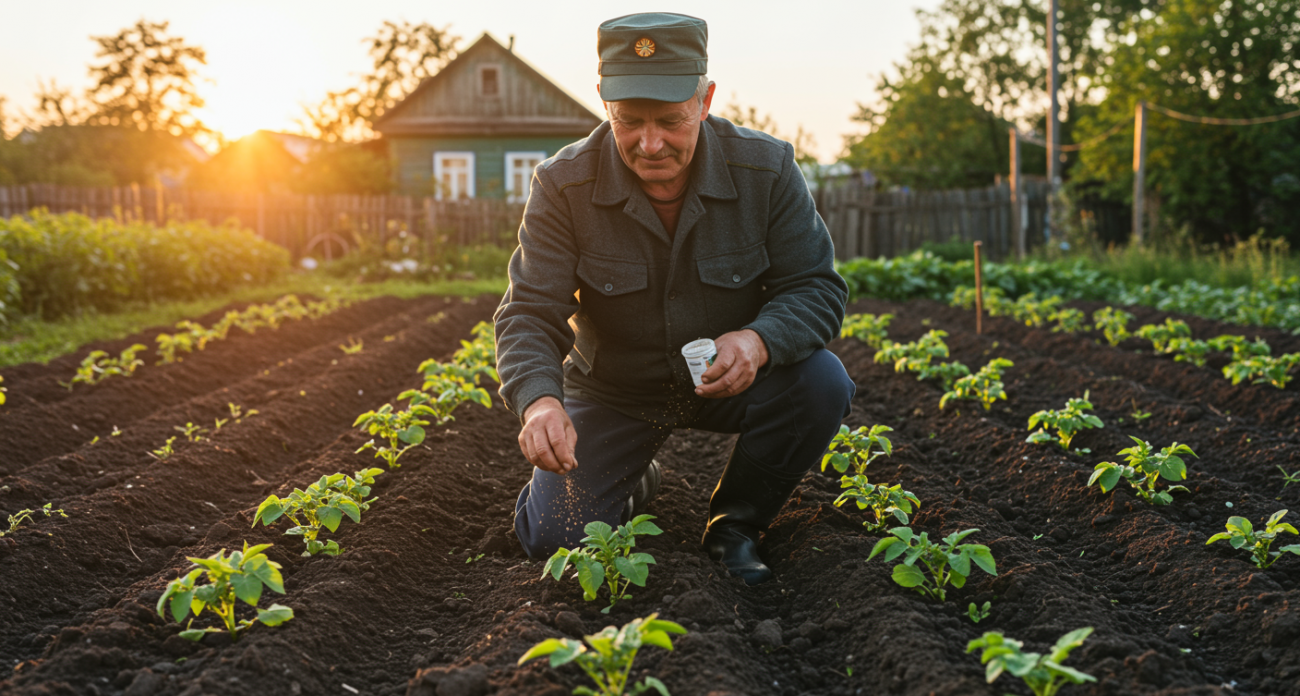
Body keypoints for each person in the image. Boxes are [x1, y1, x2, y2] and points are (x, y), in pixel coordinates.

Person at [493, 12, 854, 585]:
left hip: (733, 381)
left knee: (822, 382)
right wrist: (539, 401)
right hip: (615, 388)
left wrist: (758, 341)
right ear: (604, 104)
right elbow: (530, 310)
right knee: (556, 541)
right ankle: (635, 477)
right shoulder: (564, 186)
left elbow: (815, 286)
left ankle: (737, 523)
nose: (650, 142)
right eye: (629, 121)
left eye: (670, 120)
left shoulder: (766, 170)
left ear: (705, 100)